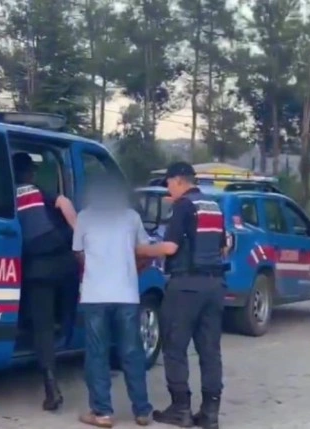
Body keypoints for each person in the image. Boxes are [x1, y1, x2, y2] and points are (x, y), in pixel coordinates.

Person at [136, 161, 227, 429]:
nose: (168, 189)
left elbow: (170, 247)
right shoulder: (212, 206)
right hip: (215, 285)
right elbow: (223, 247)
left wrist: (139, 249)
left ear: (177, 180)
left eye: (168, 183)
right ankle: (210, 413)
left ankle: (181, 409)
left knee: (175, 347)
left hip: (186, 285)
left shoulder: (183, 206)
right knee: (210, 350)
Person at [73, 176, 154, 428]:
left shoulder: (84, 217)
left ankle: (103, 413)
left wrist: (95, 268)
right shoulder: (131, 217)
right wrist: (132, 270)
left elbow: (78, 252)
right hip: (126, 295)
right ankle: (142, 411)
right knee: (131, 352)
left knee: (97, 354)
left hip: (95, 296)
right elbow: (144, 251)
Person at [12, 152, 77, 412]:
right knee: (67, 304)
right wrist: (79, 234)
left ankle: (51, 388)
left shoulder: (5, 195)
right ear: (30, 173)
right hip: (63, 259)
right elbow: (65, 203)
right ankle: (68, 329)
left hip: (37, 267)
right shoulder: (38, 190)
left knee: (42, 327)